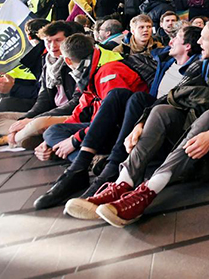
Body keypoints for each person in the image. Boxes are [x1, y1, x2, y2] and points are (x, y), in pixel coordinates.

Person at [90, 19, 209, 227]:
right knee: (161, 110)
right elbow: (172, 95)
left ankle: (150, 190)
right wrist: (141, 123)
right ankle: (124, 181)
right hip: (194, 142)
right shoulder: (203, 64)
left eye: (204, 38)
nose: (199, 42)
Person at [61, 26, 205, 215]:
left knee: (140, 99)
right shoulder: (166, 60)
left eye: (176, 38)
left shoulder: (196, 68)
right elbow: (140, 52)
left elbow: (172, 99)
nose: (170, 41)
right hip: (137, 119)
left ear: (187, 46)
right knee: (116, 95)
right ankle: (81, 164)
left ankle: (113, 166)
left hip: (168, 123)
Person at [33, 34, 149, 209]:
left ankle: (87, 165)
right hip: (103, 130)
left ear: (68, 60)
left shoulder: (107, 72)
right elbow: (79, 111)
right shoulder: (91, 71)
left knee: (115, 96)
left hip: (124, 130)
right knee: (52, 132)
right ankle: (89, 164)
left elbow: (111, 116)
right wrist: (51, 140)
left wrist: (75, 139)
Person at [0, 21, 78, 148]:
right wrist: (26, 119)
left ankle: (5, 139)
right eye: (48, 41)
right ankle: (27, 136)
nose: (52, 46)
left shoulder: (75, 62)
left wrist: (34, 119)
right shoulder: (48, 62)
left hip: (69, 114)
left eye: (57, 40)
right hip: (49, 111)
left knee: (33, 122)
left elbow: (76, 103)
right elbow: (43, 98)